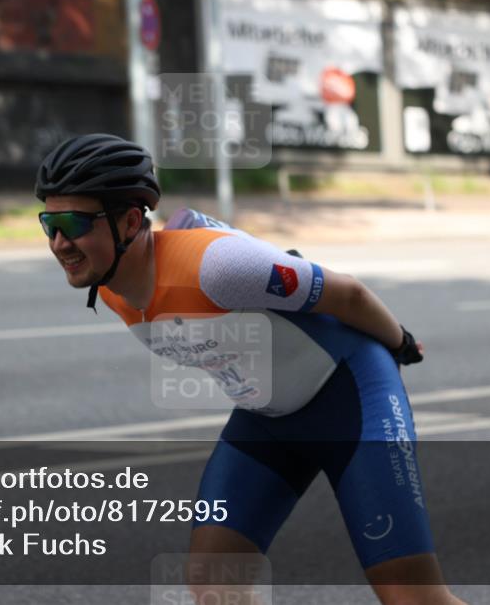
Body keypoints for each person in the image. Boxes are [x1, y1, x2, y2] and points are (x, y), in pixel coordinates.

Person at [35, 133, 466, 605]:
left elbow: (349, 294)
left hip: (351, 396)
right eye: (48, 224)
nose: (59, 242)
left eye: (73, 223)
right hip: (267, 419)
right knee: (215, 587)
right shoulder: (110, 285)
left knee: (413, 598)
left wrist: (400, 344)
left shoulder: (216, 266)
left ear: (131, 221)